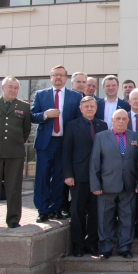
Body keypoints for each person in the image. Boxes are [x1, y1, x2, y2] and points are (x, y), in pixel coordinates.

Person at [31, 65, 82, 223]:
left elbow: (77, 121)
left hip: (64, 143)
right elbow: (32, 115)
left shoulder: (75, 96)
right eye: (55, 75)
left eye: (61, 75)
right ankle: (43, 210)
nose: (58, 78)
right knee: (42, 177)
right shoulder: (41, 94)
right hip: (46, 143)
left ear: (66, 78)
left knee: (60, 178)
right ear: (50, 77)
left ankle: (56, 207)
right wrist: (45, 115)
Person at [0, 76, 32, 229]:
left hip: (15, 152)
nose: (13, 90)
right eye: (10, 87)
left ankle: (13, 219)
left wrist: (15, 142)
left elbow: (26, 129)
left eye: (16, 88)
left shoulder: (24, 107)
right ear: (3, 88)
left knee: (14, 187)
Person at [90, 109, 138, 259]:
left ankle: (124, 247)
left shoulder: (135, 136)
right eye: (118, 118)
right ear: (112, 120)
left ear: (128, 121)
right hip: (106, 186)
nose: (121, 121)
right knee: (105, 219)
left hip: (129, 185)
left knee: (127, 218)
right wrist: (96, 186)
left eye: (124, 119)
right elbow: (94, 163)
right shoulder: (101, 137)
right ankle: (105, 248)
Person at [63, 95, 108, 255]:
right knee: (77, 212)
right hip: (78, 176)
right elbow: (66, 152)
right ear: (81, 109)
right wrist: (68, 174)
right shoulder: (71, 126)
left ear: (96, 109)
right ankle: (79, 245)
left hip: (97, 177)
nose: (90, 109)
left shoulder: (102, 125)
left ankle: (92, 244)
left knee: (96, 212)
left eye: (92, 107)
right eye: (87, 107)